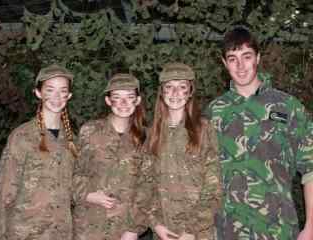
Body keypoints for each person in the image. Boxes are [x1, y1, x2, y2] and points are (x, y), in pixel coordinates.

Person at [205, 26, 313, 239]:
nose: (241, 66)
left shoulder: (288, 107)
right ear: (224, 63)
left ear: (258, 58)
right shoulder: (213, 113)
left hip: (277, 229)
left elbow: (311, 169)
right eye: (233, 58)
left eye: (247, 56)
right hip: (226, 231)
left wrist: (310, 227)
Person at [0, 64, 78, 239]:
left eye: (62, 91)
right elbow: (4, 191)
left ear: (69, 96)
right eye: (50, 90)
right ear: (38, 93)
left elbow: (75, 189)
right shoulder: (23, 136)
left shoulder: (71, 140)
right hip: (26, 232)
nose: (56, 97)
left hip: (60, 232)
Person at [73, 73, 155, 240]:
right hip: (89, 225)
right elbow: (73, 172)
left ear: (137, 100)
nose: (124, 103)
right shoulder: (90, 131)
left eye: (129, 97)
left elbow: (148, 187)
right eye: (117, 97)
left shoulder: (147, 136)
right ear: (108, 101)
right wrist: (88, 194)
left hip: (124, 227)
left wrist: (134, 229)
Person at [147, 62, 222, 240]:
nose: (175, 93)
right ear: (162, 92)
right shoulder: (151, 133)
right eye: (169, 87)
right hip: (164, 232)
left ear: (190, 92)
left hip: (197, 233)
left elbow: (214, 187)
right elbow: (145, 183)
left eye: (182, 87)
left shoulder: (204, 129)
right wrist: (155, 224)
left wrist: (191, 231)